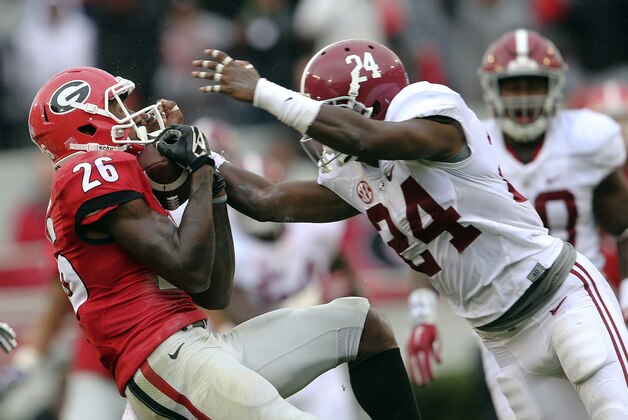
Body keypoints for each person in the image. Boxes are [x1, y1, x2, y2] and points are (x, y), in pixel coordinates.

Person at [191, 38, 628, 418]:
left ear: (374, 106)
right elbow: (270, 202)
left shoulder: (433, 114)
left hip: (560, 301)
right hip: (501, 338)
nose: (323, 135)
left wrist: (265, 92)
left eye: (331, 115)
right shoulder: (354, 175)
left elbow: (370, 139)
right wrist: (200, 157)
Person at [28, 67, 420, 419]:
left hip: (197, 347)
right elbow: (190, 268)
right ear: (83, 123)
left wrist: (212, 183)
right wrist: (199, 170)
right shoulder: (85, 171)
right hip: (166, 362)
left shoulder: (115, 176)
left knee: (362, 326)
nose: (129, 114)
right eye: (114, 104)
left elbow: (214, 291)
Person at [474, 29, 628, 419]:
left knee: (613, 408)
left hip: (578, 301)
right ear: (492, 90)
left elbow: (625, 226)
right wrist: (424, 310)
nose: (524, 96)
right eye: (512, 86)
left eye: (534, 84)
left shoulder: (586, 139)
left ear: (555, 86)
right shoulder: (471, 148)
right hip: (506, 319)